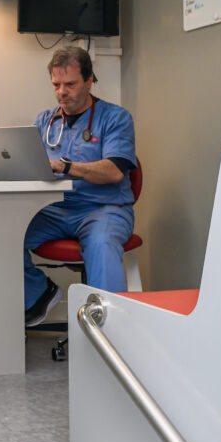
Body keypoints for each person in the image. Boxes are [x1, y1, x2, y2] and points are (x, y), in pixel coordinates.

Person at [23, 47, 137, 327]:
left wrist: (65, 166)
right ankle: (38, 294)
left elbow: (113, 172)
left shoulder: (115, 118)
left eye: (70, 84)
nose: (62, 92)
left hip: (104, 209)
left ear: (89, 81)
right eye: (56, 85)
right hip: (54, 211)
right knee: (2, 234)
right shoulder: (43, 122)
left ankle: (110, 332)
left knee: (101, 242)